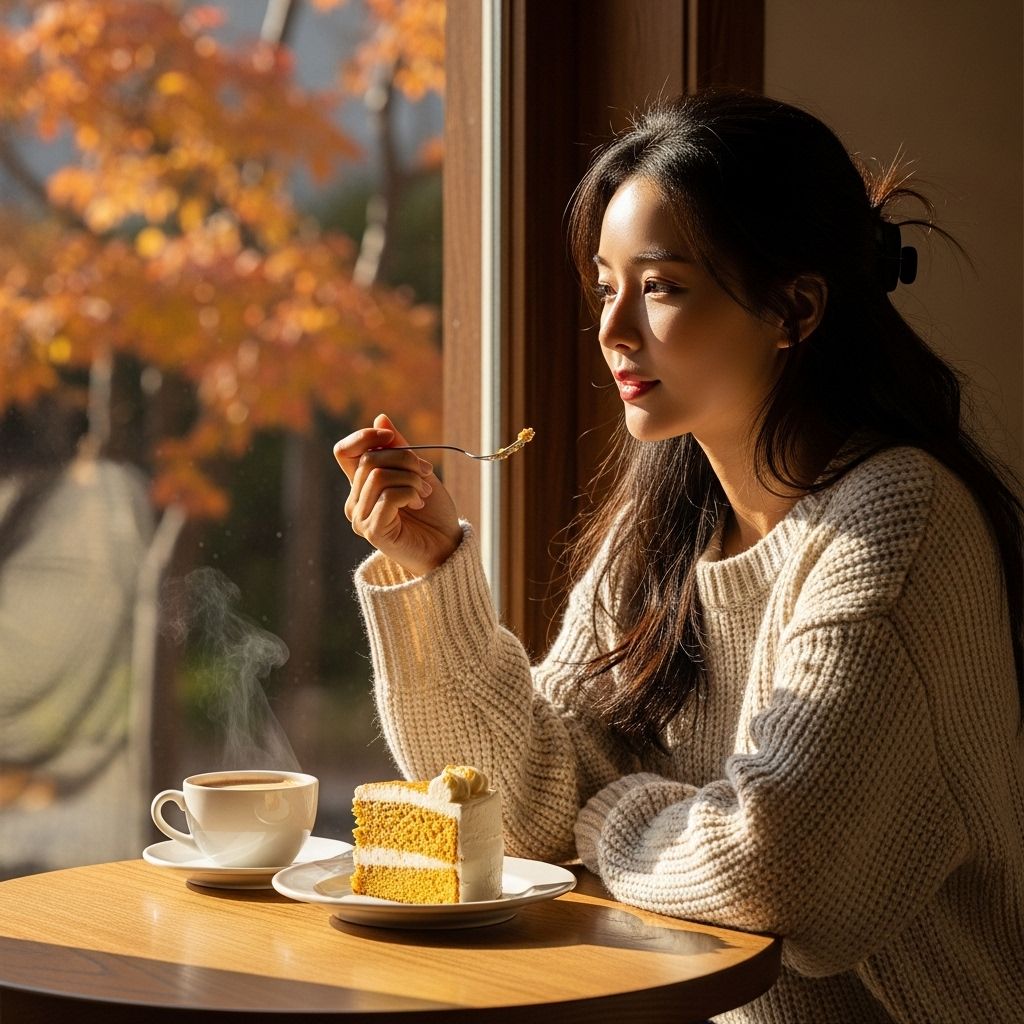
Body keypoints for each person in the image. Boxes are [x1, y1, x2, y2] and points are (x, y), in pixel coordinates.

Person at [333, 90, 1024, 1024]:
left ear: (796, 308)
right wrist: (432, 567)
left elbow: (776, 866)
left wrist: (607, 812)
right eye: (606, 288)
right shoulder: (660, 526)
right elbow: (519, 812)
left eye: (660, 287)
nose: (614, 331)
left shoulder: (898, 526)